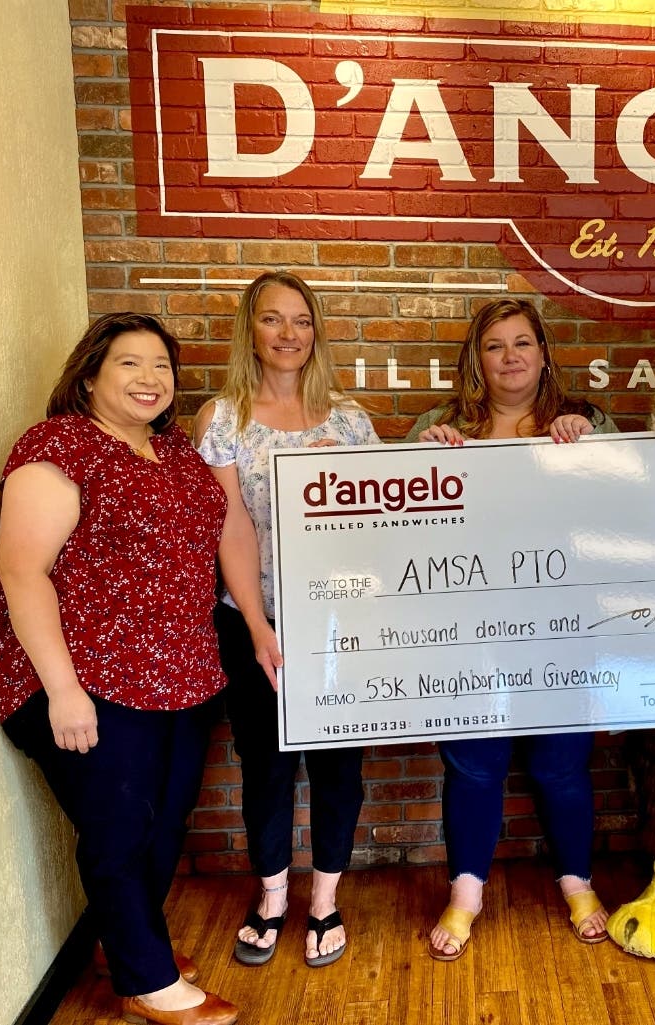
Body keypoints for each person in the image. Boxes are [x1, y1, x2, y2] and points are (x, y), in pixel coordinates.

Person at [0, 313, 238, 1025]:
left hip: (183, 675)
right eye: (129, 363)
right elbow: (22, 571)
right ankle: (148, 983)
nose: (149, 378)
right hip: (90, 679)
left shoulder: (176, 451)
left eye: (161, 365)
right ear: (90, 375)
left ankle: (123, 942)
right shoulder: (58, 447)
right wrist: (63, 691)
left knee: (164, 822)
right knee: (119, 826)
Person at [404, 297, 618, 961]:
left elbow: (627, 507)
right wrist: (420, 459)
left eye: (522, 342)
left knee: (561, 763)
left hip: (564, 626)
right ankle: (466, 890)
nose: (510, 357)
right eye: (494, 345)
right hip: (469, 630)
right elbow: (399, 527)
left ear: (544, 353)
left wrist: (594, 449)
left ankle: (577, 881)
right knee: (473, 763)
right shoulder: (438, 426)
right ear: (477, 359)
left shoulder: (585, 422)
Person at [195, 271, 378, 969]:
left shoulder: (350, 421)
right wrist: (257, 625)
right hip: (257, 619)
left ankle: (325, 899)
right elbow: (231, 527)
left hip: (340, 625)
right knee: (267, 767)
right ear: (251, 329)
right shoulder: (223, 419)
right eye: (272, 319)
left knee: (339, 767)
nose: (288, 333)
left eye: (301, 320)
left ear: (316, 331)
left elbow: (382, 525)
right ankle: (272, 897)